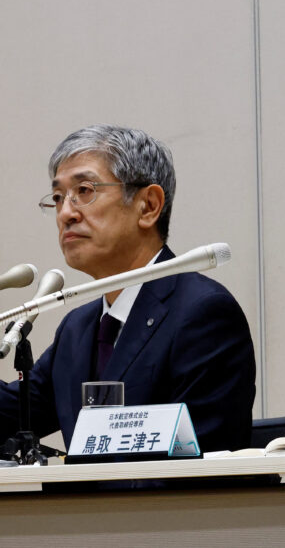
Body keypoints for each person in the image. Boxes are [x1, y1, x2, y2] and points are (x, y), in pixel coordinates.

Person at [0, 125, 256, 455]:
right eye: (59, 197)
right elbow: (12, 415)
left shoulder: (203, 314)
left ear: (148, 206)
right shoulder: (77, 329)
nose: (66, 213)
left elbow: (201, 471)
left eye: (85, 190)